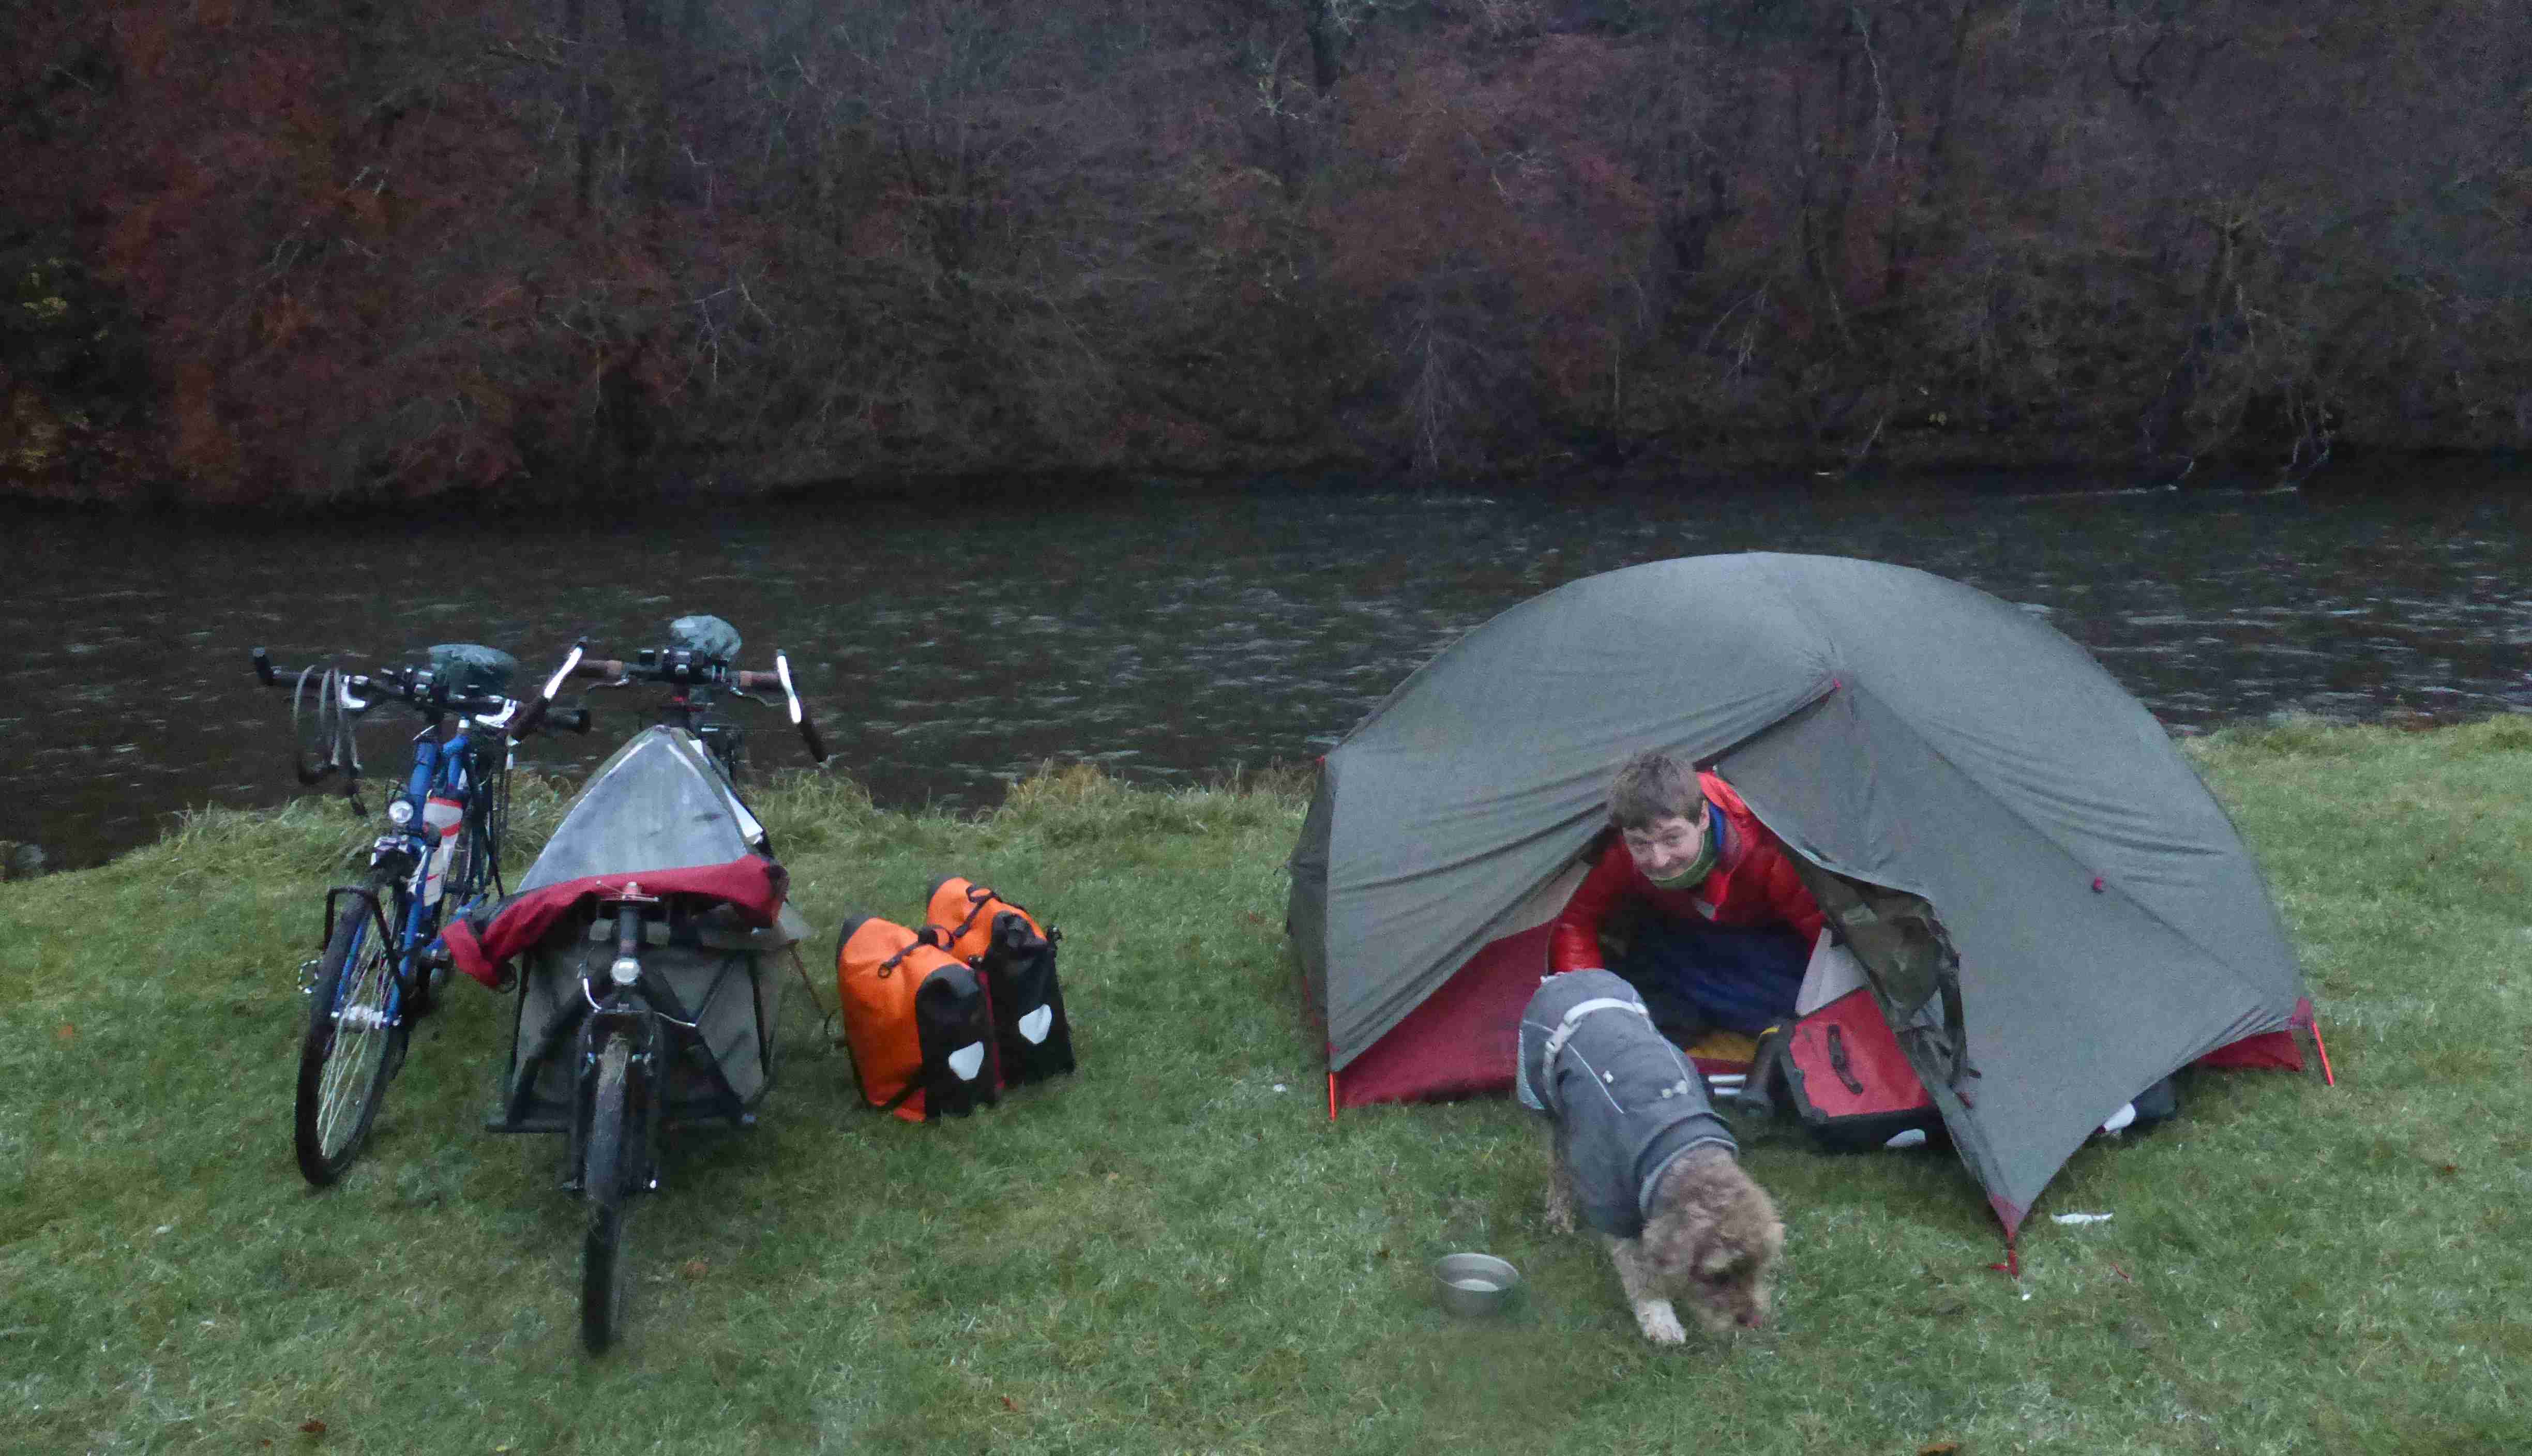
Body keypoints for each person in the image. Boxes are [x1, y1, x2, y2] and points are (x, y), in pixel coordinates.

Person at [1547, 749, 1824, 1040]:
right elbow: (1575, 922)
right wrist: (1590, 1010)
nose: (1659, 860)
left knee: (1791, 995)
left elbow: (1821, 933)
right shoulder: (1621, 852)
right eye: (1640, 844)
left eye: (1672, 839)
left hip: (1758, 937)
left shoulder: (1765, 850)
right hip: (1678, 935)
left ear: (1703, 817)